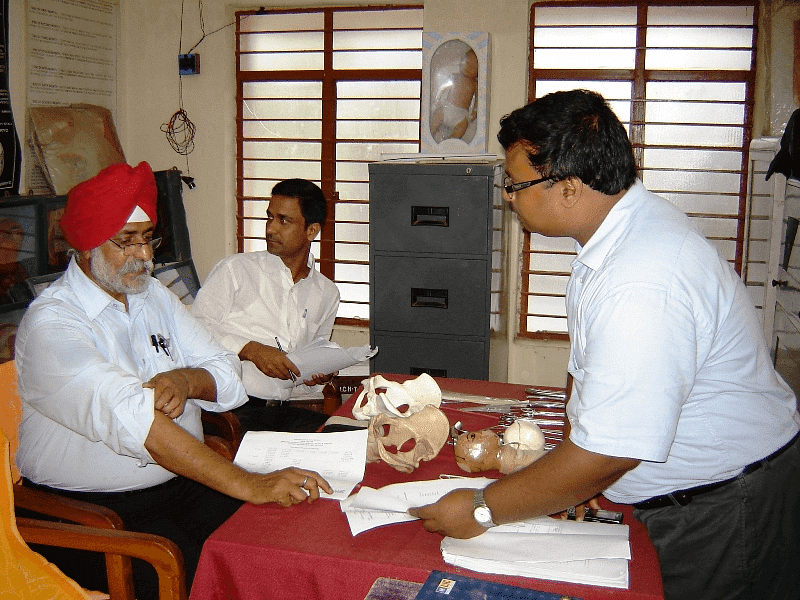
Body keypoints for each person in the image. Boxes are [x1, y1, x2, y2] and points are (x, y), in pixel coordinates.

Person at [409, 90, 800, 600]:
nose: (508, 197)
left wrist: (484, 508)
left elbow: (611, 451)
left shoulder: (639, 277)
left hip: (724, 506)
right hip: (701, 491)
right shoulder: (614, 240)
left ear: (569, 188)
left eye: (516, 185)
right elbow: (587, 372)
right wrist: (574, 480)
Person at [15, 162, 332, 600]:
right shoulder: (53, 325)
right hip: (89, 512)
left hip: (179, 485)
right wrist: (249, 483)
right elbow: (138, 423)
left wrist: (187, 380)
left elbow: (227, 375)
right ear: (86, 245)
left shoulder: (151, 295)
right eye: (127, 241)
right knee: (211, 575)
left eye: (148, 238)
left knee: (276, 543)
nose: (145, 255)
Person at [192, 178, 340, 433]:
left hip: (281, 410)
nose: (270, 229)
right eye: (269, 217)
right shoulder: (236, 270)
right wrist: (249, 349)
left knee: (348, 437)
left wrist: (317, 375)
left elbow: (306, 376)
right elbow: (195, 328)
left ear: (312, 231)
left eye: (284, 221)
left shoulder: (327, 293)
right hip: (229, 410)